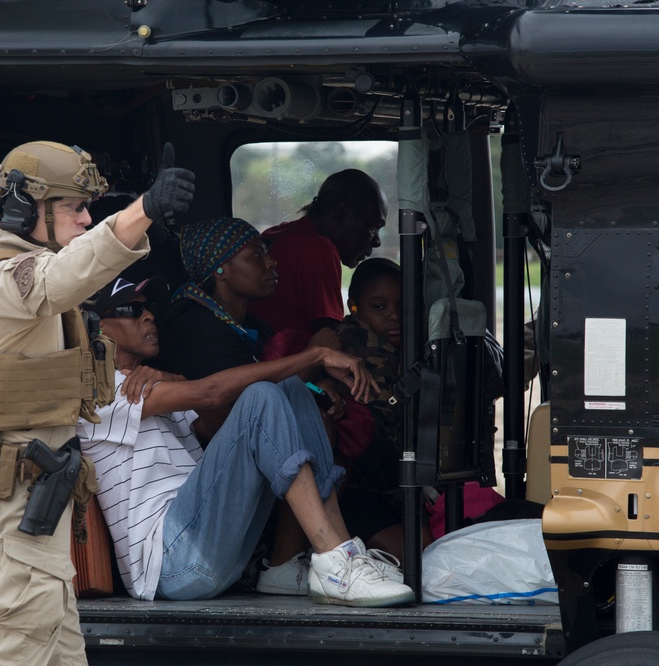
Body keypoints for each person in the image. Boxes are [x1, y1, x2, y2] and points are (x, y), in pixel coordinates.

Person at [0, 141, 195, 666]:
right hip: (11, 512)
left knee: (58, 651)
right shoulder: (13, 283)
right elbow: (67, 275)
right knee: (15, 653)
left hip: (11, 504)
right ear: (23, 211)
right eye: (72, 206)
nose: (85, 216)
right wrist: (142, 210)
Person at [77, 278, 415, 608]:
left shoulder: (149, 384)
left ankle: (295, 561)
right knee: (264, 394)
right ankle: (334, 559)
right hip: (171, 565)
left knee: (290, 390)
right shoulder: (98, 394)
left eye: (148, 307)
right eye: (131, 309)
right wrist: (315, 356)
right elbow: (215, 394)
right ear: (98, 327)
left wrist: (177, 379)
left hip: (206, 547)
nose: (148, 315)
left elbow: (227, 430)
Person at [319, 257, 432, 556]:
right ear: (353, 305)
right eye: (379, 307)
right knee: (418, 555)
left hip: (392, 488)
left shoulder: (412, 349)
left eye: (402, 305)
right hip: (356, 489)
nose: (394, 316)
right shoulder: (350, 343)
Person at [247, 169, 389, 349]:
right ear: (340, 214)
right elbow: (330, 339)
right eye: (372, 227)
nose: (377, 241)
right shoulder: (318, 248)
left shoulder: (276, 234)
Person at [153, 216, 276, 381]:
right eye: (256, 255)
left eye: (266, 253)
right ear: (220, 270)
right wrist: (311, 358)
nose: (272, 262)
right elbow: (249, 393)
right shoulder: (197, 329)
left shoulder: (254, 325)